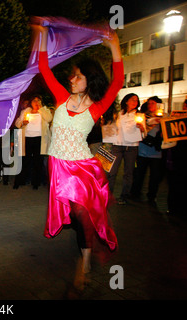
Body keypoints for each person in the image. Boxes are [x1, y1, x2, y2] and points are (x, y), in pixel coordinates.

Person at [32, 24, 123, 288]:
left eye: (78, 76)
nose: (72, 79)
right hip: (59, 165)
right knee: (73, 213)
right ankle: (85, 243)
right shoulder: (61, 97)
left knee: (82, 212)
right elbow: (44, 69)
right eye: (73, 76)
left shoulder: (96, 108)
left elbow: (117, 82)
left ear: (89, 80)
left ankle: (83, 262)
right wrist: (41, 35)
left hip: (83, 167)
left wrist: (114, 45)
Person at [107, 93, 145, 205]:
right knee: (111, 172)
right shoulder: (118, 114)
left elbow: (144, 133)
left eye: (136, 100)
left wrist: (142, 128)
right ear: (126, 101)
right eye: (132, 100)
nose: (135, 102)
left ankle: (124, 196)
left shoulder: (139, 115)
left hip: (131, 147)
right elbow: (112, 128)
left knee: (128, 173)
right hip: (117, 145)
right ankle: (108, 195)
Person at [130, 96, 165, 207]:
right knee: (139, 174)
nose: (150, 105)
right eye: (149, 103)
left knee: (155, 176)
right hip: (142, 151)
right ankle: (135, 193)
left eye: (153, 103)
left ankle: (152, 196)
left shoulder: (164, 117)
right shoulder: (142, 116)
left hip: (156, 152)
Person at [13, 93, 52, 189]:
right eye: (34, 100)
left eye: (38, 100)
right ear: (31, 102)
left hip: (39, 139)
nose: (36, 102)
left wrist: (41, 109)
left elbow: (49, 118)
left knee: (37, 162)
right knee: (25, 161)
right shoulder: (26, 111)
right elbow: (17, 123)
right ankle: (20, 181)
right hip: (27, 138)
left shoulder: (44, 111)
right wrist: (22, 123)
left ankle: (36, 183)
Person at [166, 98, 187, 216]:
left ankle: (179, 208)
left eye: (186, 106)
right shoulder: (175, 120)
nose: (184, 108)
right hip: (179, 157)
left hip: (184, 156)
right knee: (178, 183)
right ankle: (176, 208)